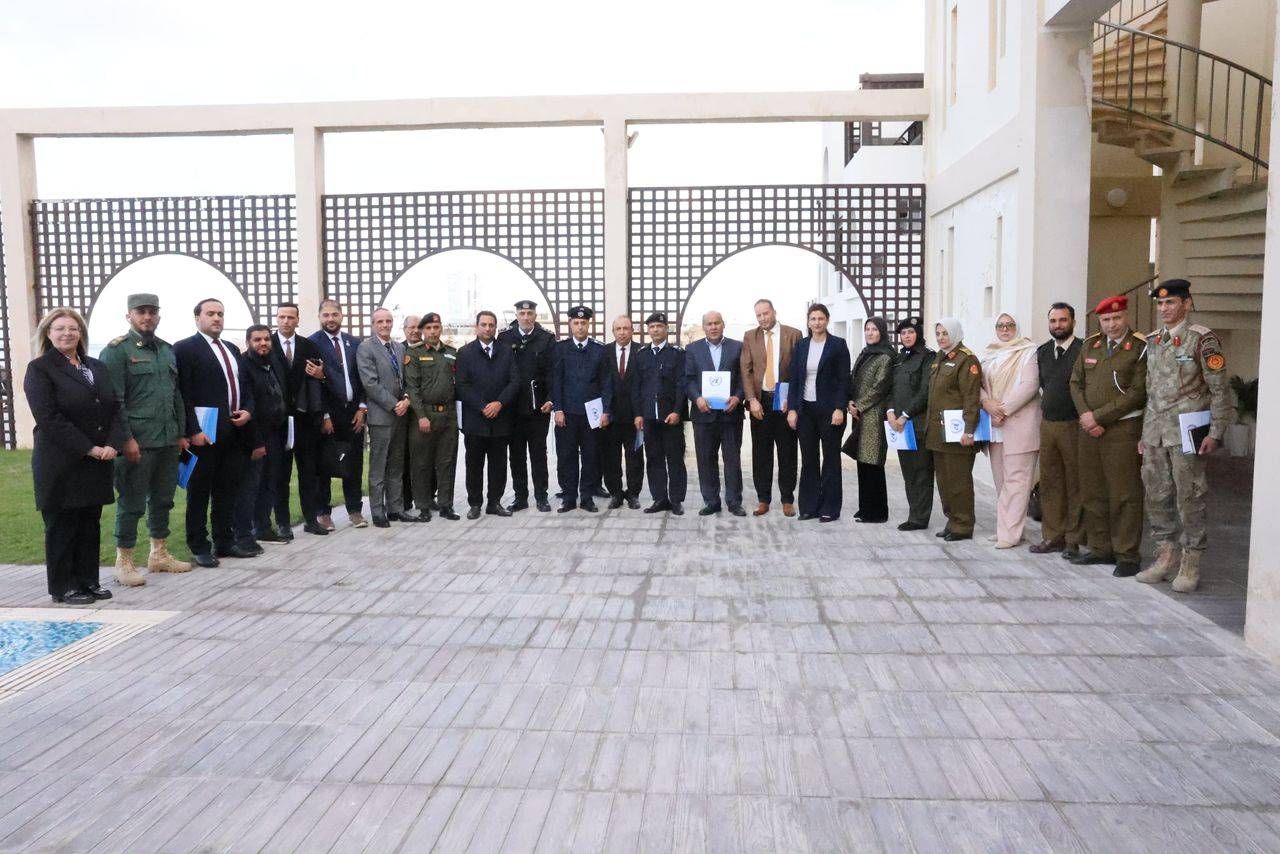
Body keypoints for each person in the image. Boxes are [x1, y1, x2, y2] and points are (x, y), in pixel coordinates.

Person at [1135, 279, 1234, 593]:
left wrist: (1216, 432)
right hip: (1155, 431)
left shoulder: (1202, 340)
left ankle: (1191, 561)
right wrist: (1144, 433)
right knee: (1156, 494)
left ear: (1186, 304)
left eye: (1171, 302)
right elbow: (1151, 391)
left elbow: (1219, 390)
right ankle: (1165, 556)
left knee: (1189, 496)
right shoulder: (1153, 340)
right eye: (1160, 304)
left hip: (1187, 430)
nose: (1164, 309)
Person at [27, 308, 128, 604]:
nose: (67, 333)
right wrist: (89, 448)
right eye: (60, 328)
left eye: (72, 328)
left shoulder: (96, 367)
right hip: (62, 460)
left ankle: (88, 581)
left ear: (81, 333)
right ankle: (64, 586)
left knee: (89, 522)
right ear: (48, 333)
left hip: (97, 460)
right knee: (62, 525)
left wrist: (113, 444)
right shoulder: (40, 369)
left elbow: (114, 408)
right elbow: (49, 418)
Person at [99, 293, 191, 587]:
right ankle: (124, 561)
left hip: (166, 439)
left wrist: (180, 433)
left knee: (163, 500)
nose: (147, 317)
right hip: (137, 442)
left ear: (158, 316)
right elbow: (114, 401)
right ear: (129, 316)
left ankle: (158, 554)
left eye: (152, 312)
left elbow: (175, 395)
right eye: (141, 312)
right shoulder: (117, 351)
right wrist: (125, 439)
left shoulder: (166, 350)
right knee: (132, 502)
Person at [1069, 295, 1148, 577]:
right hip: (1089, 430)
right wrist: (1086, 416)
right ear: (1099, 321)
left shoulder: (1139, 347)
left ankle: (1127, 554)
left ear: (1126, 316)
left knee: (1124, 493)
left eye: (1116, 318)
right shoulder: (1091, 345)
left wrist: (1098, 417)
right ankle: (1100, 547)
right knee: (1093, 490)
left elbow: (1138, 393)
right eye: (1106, 320)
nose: (1112, 324)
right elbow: (1075, 383)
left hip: (1122, 429)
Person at [174, 298, 256, 567]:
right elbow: (183, 393)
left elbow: (245, 385)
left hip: (233, 432)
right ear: (197, 317)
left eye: (220, 313)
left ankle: (224, 541)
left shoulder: (231, 348)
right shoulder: (185, 349)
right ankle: (199, 545)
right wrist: (192, 430)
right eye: (210, 313)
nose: (217, 318)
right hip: (204, 434)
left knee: (227, 490)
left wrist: (247, 410)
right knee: (199, 492)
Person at [979, 313, 1041, 548]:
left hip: (1019, 424)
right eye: (1000, 326)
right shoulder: (989, 354)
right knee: (1001, 481)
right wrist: (986, 403)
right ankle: (1007, 528)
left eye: (1010, 325)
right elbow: (978, 385)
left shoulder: (1028, 352)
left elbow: (1029, 385)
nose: (1005, 330)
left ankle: (1010, 535)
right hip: (995, 427)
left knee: (1017, 481)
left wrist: (1001, 411)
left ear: (1017, 327)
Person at [786, 304, 850, 523]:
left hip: (830, 411)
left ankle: (830, 508)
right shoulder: (802, 345)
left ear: (827, 320)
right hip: (806, 410)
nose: (817, 322)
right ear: (808, 321)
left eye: (820, 318)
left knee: (830, 459)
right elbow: (794, 379)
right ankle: (809, 507)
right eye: (813, 319)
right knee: (809, 459)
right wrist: (792, 409)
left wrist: (840, 407)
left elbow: (844, 380)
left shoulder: (838, 345)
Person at [357, 308, 420, 527]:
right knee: (378, 467)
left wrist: (406, 400)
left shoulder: (399, 348)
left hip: (401, 415)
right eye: (380, 321)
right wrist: (394, 405)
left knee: (396, 465)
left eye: (388, 321)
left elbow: (406, 379)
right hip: (381, 416)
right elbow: (370, 383)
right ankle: (378, 511)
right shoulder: (366, 348)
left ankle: (396, 508)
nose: (385, 325)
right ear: (373, 324)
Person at [309, 299, 368, 530]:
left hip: (353, 413)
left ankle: (355, 511)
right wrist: (324, 415)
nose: (330, 319)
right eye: (326, 315)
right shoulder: (312, 343)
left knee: (354, 463)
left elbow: (362, 378)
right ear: (319, 317)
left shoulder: (354, 343)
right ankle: (323, 513)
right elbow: (314, 383)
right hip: (328, 415)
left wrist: (362, 408)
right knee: (323, 465)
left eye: (334, 314)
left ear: (341, 315)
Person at [272, 302, 329, 538]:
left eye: (290, 317)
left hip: (305, 420)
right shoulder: (268, 344)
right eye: (282, 317)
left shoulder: (309, 346)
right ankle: (283, 523)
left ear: (297, 320)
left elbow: (320, 382)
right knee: (281, 475)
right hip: (278, 421)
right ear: (276, 319)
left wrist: (322, 375)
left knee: (308, 473)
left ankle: (311, 520)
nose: (286, 321)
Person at [455, 310, 519, 519]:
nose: (487, 328)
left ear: (495, 328)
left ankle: (494, 503)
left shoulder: (507, 351)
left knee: (498, 464)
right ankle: (475, 504)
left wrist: (499, 403)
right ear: (477, 327)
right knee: (474, 464)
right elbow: (462, 386)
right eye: (483, 324)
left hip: (501, 418)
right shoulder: (464, 353)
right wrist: (483, 406)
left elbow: (515, 381)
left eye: (491, 325)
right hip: (476, 419)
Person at [740, 298, 801, 517]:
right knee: (761, 453)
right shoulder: (750, 336)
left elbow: (798, 370)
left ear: (774, 311)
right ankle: (763, 499)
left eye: (766, 313)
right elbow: (745, 370)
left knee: (787, 452)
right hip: (761, 403)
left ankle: (787, 499)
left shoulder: (793, 334)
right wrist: (751, 399)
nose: (763, 318)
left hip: (785, 402)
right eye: (758, 315)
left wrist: (793, 402)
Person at [1033, 303, 1084, 556]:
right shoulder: (1043, 351)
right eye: (1053, 321)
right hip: (1049, 424)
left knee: (1075, 483)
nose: (1058, 325)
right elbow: (1043, 384)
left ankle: (1074, 539)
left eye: (1063, 320)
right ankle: (1053, 536)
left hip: (1074, 425)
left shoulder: (1083, 349)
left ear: (1073, 322)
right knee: (1050, 483)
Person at [551, 306, 613, 513]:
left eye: (583, 323)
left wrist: (606, 411)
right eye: (576, 323)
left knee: (591, 456)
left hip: (591, 415)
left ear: (588, 324)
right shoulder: (560, 349)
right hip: (567, 414)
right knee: (566, 456)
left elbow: (606, 383)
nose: (580, 326)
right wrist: (558, 409)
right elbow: (556, 381)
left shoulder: (599, 350)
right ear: (570, 324)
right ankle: (569, 497)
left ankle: (586, 497)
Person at [497, 299, 555, 512]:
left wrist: (550, 398)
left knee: (538, 454)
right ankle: (520, 497)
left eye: (530, 314)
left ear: (535, 316)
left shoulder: (546, 339)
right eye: (522, 313)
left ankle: (541, 496)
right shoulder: (505, 338)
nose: (526, 317)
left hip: (538, 407)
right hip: (512, 408)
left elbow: (552, 373)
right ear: (517, 315)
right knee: (516, 455)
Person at [926, 317, 981, 541]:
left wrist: (969, 430)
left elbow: (971, 397)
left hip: (958, 433)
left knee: (959, 482)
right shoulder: (939, 358)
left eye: (945, 333)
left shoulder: (966, 360)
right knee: (945, 482)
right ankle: (952, 520)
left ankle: (963, 525)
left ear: (955, 333)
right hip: (938, 433)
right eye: (938, 334)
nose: (941, 338)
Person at [685, 310, 745, 516]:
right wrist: (697, 398)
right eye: (709, 324)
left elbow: (744, 377)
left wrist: (738, 397)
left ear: (723, 324)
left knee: (732, 460)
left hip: (731, 414)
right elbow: (688, 379)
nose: (713, 327)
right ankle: (711, 501)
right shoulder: (692, 349)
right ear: (703, 327)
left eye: (716, 323)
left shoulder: (737, 347)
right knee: (705, 459)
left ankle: (734, 501)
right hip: (703, 415)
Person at [235, 325, 287, 553]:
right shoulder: (243, 366)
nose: (263, 343)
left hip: (276, 433)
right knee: (251, 487)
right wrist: (256, 441)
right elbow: (247, 404)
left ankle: (264, 527)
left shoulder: (273, 363)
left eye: (266, 339)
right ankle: (245, 534)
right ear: (248, 342)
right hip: (254, 435)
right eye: (257, 340)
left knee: (269, 483)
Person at [403, 313, 459, 520]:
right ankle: (423, 507)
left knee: (447, 462)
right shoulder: (414, 353)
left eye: (436, 327)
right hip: (424, 416)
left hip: (448, 416)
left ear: (441, 328)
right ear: (422, 331)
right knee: (421, 464)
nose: (433, 332)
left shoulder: (451, 352)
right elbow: (412, 388)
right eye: (428, 328)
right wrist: (421, 416)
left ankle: (446, 505)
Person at [631, 312, 687, 515]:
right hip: (649, 417)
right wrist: (638, 414)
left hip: (670, 417)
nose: (655, 330)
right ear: (648, 330)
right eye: (652, 327)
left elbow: (682, 385)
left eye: (659, 326)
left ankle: (676, 500)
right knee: (654, 459)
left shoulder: (677, 354)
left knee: (675, 459)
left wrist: (677, 411)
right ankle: (659, 499)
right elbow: (636, 386)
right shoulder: (641, 354)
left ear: (666, 329)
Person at [885, 317, 935, 531]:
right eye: (903, 333)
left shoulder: (928, 357)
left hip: (917, 424)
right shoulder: (899, 358)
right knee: (908, 472)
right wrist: (890, 412)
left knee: (922, 472)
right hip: (899, 425)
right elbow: (890, 389)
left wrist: (905, 414)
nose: (906, 336)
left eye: (911, 332)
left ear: (918, 334)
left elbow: (925, 391)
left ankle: (919, 518)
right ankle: (913, 513)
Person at [844, 317, 895, 523]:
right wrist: (850, 401)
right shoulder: (866, 353)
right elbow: (853, 379)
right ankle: (865, 507)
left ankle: (877, 512)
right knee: (862, 461)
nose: (870, 332)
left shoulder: (886, 356)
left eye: (874, 329)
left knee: (873, 463)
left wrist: (859, 405)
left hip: (874, 415)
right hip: (860, 415)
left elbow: (880, 387)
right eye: (867, 329)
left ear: (882, 332)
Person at [601, 315, 644, 509]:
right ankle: (616, 493)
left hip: (634, 417)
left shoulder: (641, 351)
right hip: (610, 416)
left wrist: (640, 413)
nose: (622, 332)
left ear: (632, 330)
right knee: (611, 457)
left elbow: (643, 385)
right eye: (618, 329)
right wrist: (604, 411)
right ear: (613, 331)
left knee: (635, 457)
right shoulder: (605, 352)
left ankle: (633, 494)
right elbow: (601, 384)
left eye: (626, 328)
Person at [401, 314, 422, 512]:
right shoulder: (398, 349)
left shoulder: (429, 349)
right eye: (411, 327)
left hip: (423, 412)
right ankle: (405, 498)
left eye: (418, 327)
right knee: (404, 457)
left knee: (426, 457)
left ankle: (428, 496)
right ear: (404, 329)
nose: (415, 331)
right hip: (402, 412)